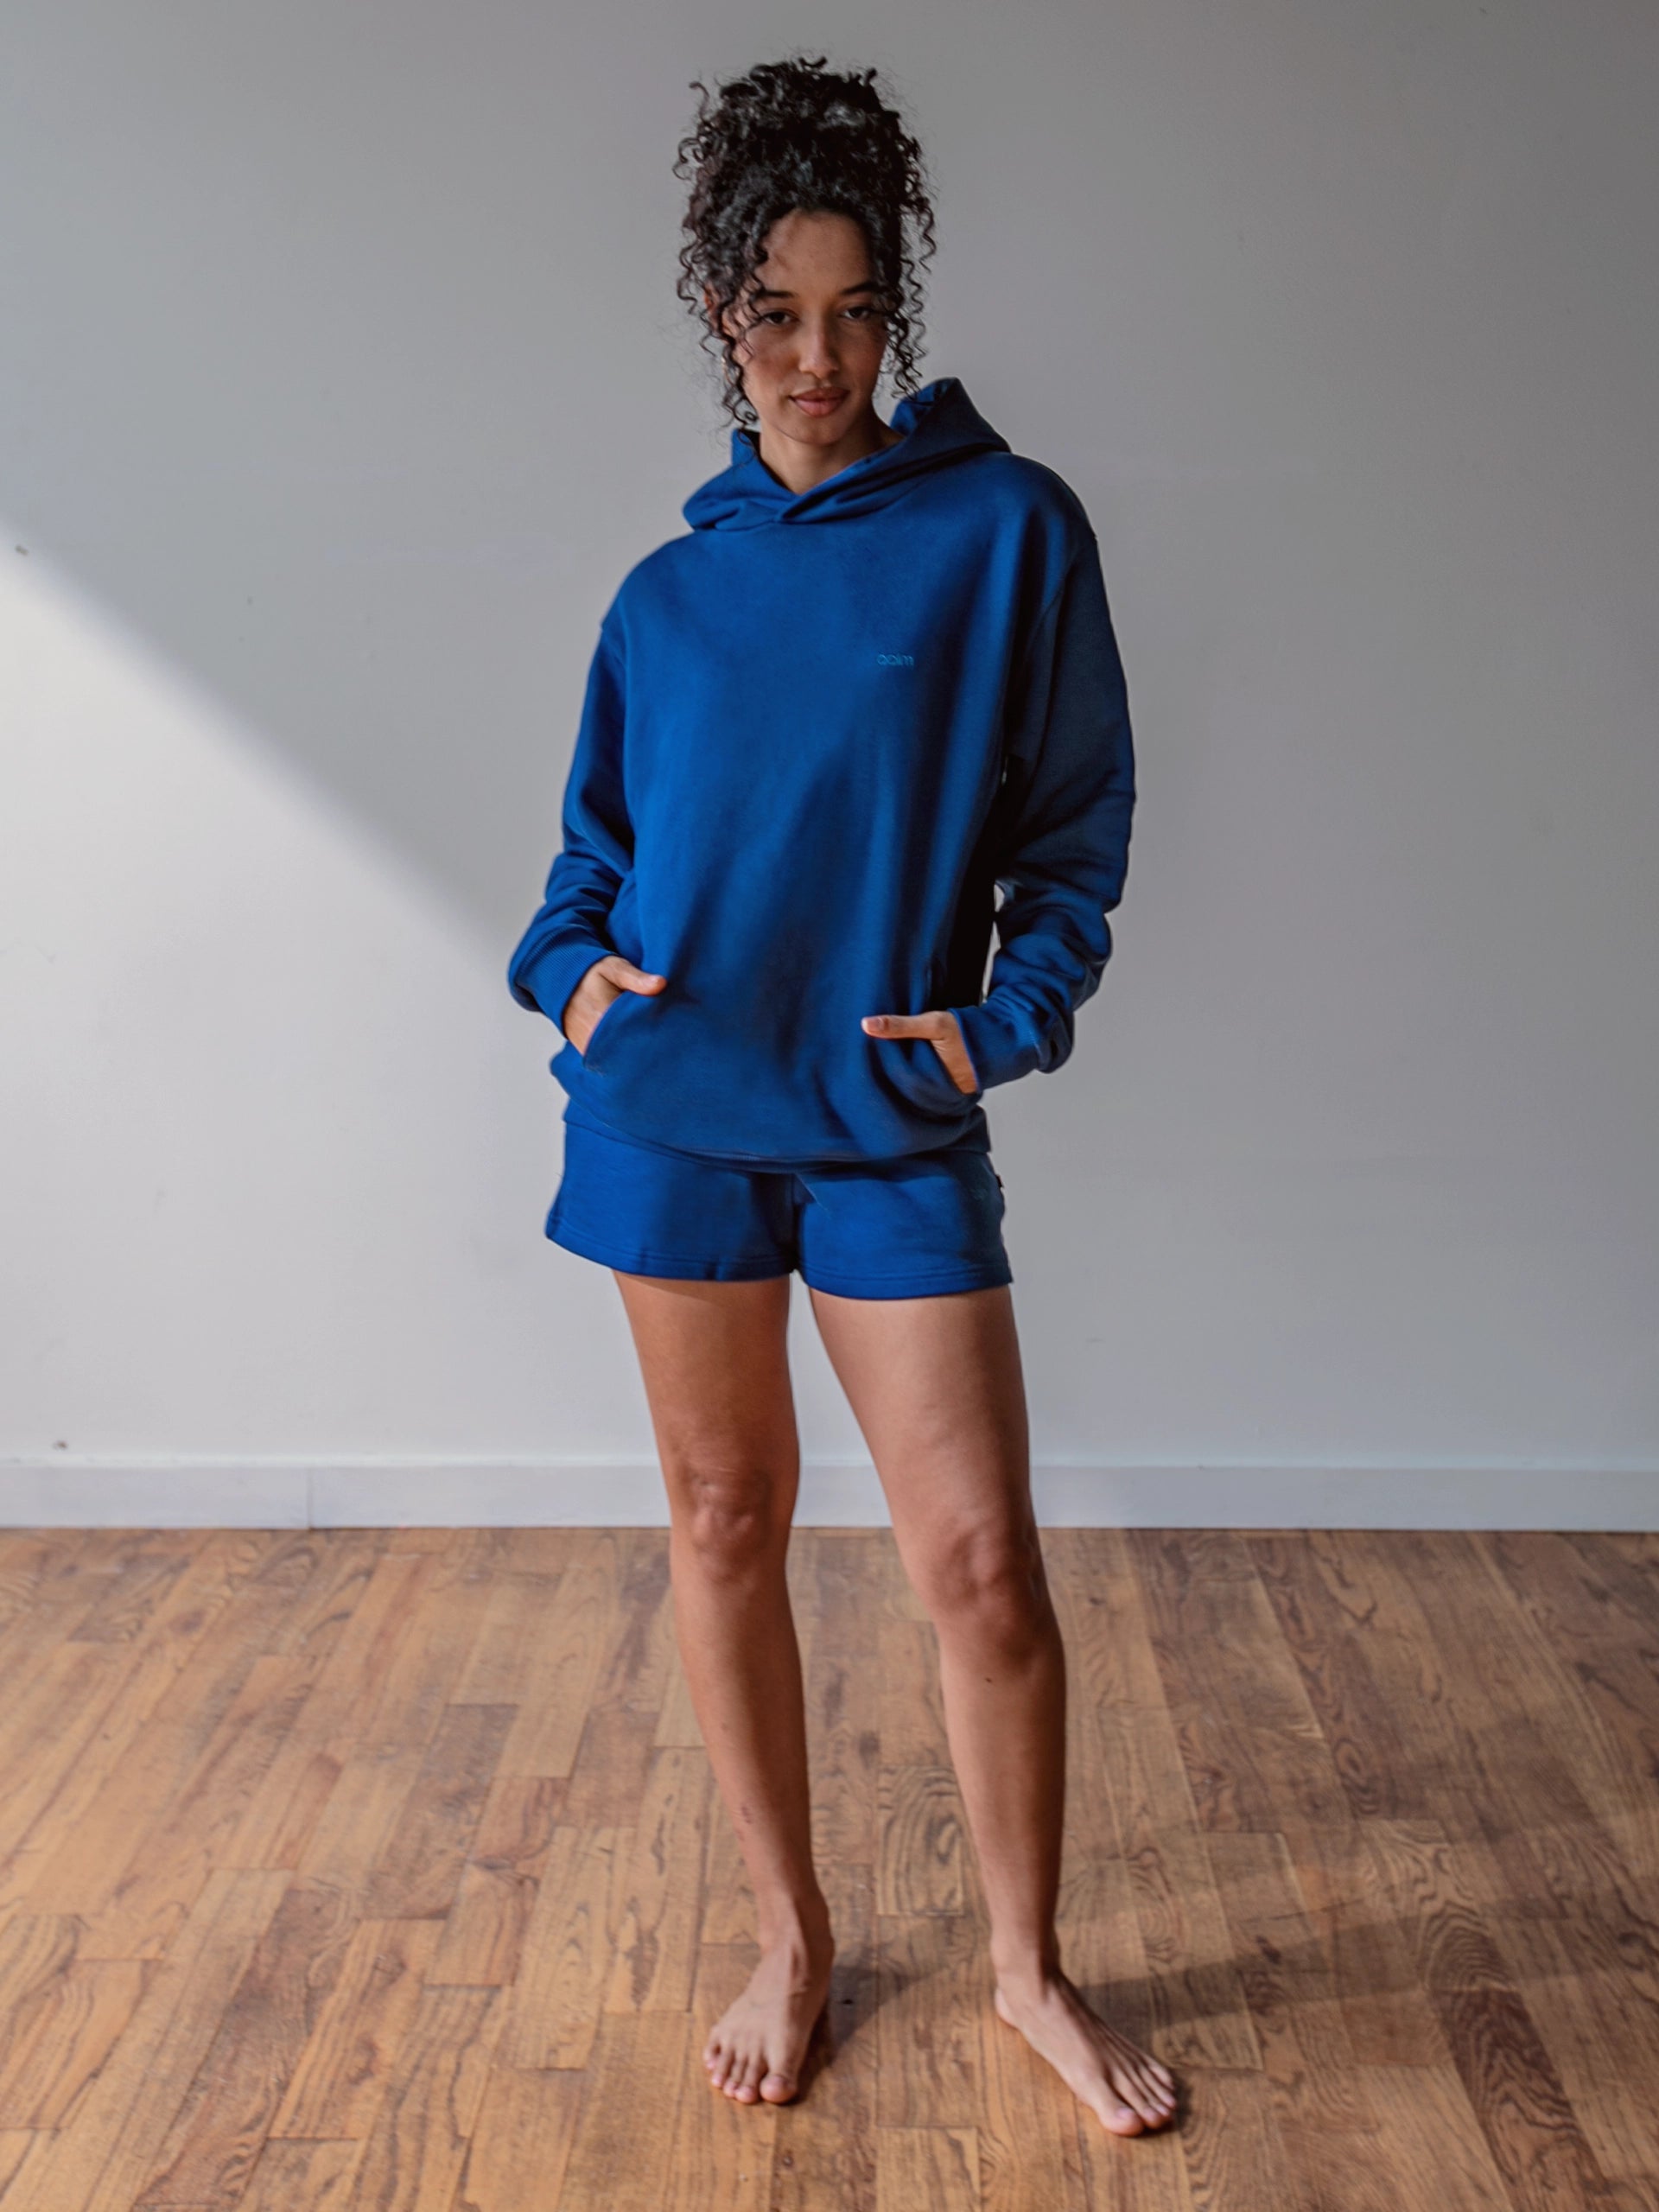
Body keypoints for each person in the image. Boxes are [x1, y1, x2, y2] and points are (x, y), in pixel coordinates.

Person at [506, 54, 1175, 2139]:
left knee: (978, 1561)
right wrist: (573, 975)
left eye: (858, 312)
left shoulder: (1004, 532)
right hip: (673, 1114)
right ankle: (790, 1933)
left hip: (886, 1120)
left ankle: (1026, 1964)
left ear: (898, 315)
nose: (821, 357)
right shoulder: (665, 594)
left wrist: (1001, 1020)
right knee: (726, 1520)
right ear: (722, 314)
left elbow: (1074, 832)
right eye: (780, 313)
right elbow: (585, 869)